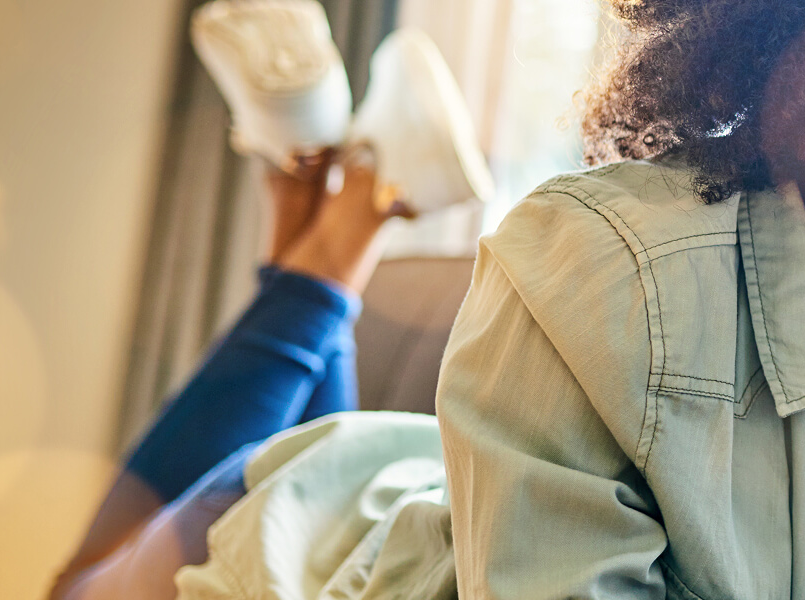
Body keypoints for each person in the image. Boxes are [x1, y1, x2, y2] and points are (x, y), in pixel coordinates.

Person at [55, 0, 805, 598]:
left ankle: (323, 184)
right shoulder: (599, 266)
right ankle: (335, 219)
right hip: (325, 556)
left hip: (460, 480)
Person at [48, 1, 491, 598]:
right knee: (74, 587)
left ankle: (318, 199)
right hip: (226, 559)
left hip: (335, 505)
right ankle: (356, 194)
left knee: (313, 467)